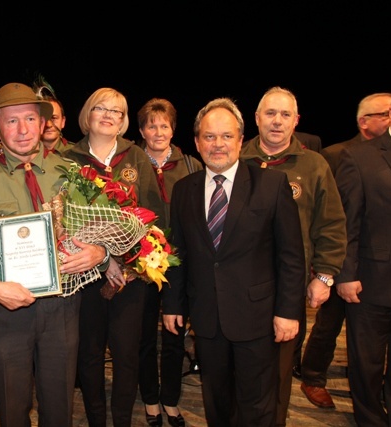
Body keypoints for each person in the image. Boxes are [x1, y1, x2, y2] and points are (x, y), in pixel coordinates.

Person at [0, 82, 110, 427]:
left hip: (62, 309)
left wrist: (99, 254)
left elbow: (99, 228)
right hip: (4, 311)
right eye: (11, 122)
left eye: (30, 118)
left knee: (59, 409)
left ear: (43, 124)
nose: (23, 129)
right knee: (13, 409)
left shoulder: (70, 172)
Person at [162, 97, 305, 425]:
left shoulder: (271, 185)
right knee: (217, 400)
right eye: (209, 137)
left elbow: (291, 257)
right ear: (197, 142)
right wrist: (173, 304)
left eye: (226, 136)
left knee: (257, 405)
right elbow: (177, 253)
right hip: (207, 319)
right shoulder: (184, 190)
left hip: (258, 319)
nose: (218, 145)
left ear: (241, 140)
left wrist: (287, 312)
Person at [239, 86, 347, 425]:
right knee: (240, 366)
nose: (277, 121)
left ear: (296, 121)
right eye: (270, 113)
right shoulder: (235, 159)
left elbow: (331, 223)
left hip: (289, 287)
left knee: (280, 370)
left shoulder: (314, 165)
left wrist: (325, 276)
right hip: (239, 285)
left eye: (285, 115)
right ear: (256, 119)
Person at [64, 87, 165, 427]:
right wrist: (95, 256)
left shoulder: (136, 157)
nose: (108, 116)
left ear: (123, 121)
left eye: (117, 112)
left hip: (129, 276)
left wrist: (128, 260)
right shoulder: (68, 157)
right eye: (101, 109)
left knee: (127, 355)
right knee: (89, 355)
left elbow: (153, 217)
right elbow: (62, 219)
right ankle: (96, 421)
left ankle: (121, 420)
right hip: (85, 274)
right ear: (87, 115)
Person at [299, 92, 391, 409]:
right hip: (345, 257)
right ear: (365, 121)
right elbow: (326, 213)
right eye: (386, 113)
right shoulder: (336, 154)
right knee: (329, 323)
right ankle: (312, 375)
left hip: (385, 261)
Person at [334, 82, 391, 426]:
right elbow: (347, 223)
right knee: (366, 364)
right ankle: (369, 419)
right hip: (371, 283)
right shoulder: (359, 157)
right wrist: (345, 275)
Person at [135, 98, 202, 427]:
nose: (158, 131)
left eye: (164, 125)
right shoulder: (130, 163)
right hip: (141, 265)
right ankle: (149, 398)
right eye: (151, 125)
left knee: (175, 336)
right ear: (141, 130)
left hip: (179, 265)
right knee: (144, 337)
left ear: (173, 129)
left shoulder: (191, 165)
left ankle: (171, 399)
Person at [33, 77, 71, 156]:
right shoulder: (25, 154)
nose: (49, 125)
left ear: (63, 122)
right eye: (43, 119)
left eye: (54, 118)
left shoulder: (76, 154)